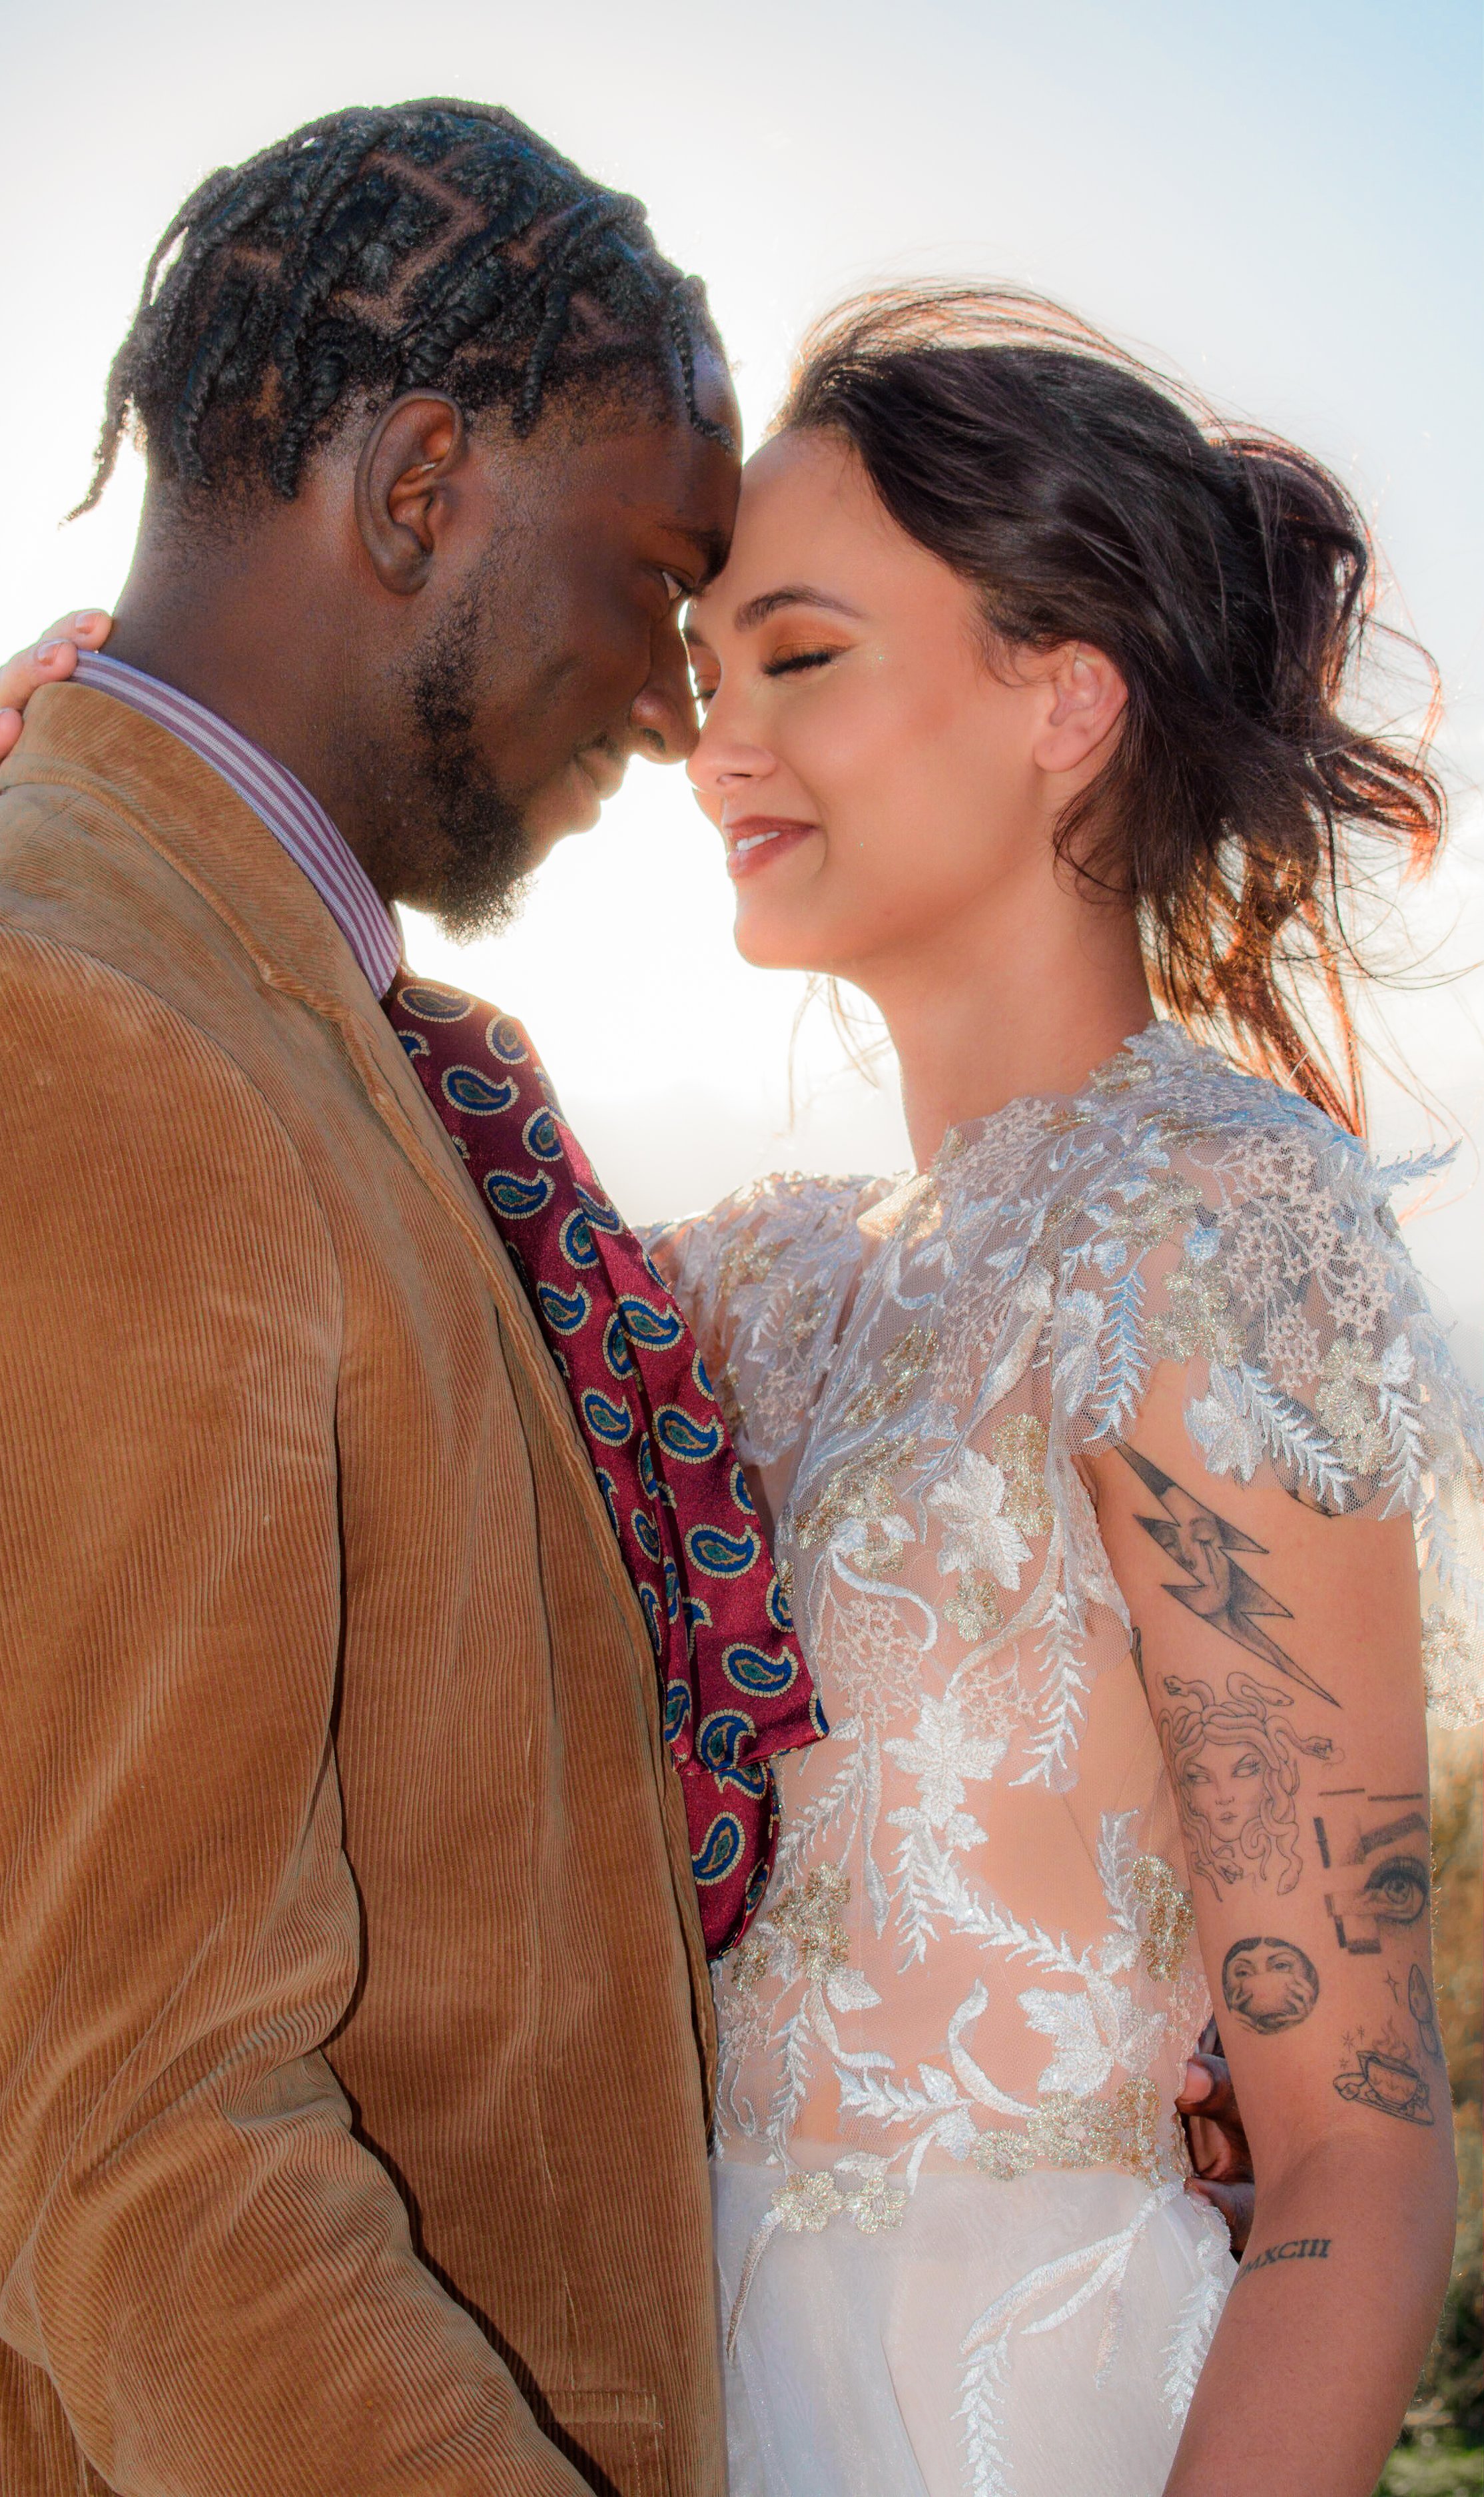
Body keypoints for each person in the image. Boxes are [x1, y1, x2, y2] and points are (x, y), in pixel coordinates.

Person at [0, 101, 793, 2497]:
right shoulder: (59, 1036)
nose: (677, 704)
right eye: (657, 582)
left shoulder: (255, 1008)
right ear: (420, 488)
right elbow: (144, 2144)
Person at [641, 288, 1480, 2496]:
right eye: (701, 677)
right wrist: (132, 773)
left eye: (797, 658)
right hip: (652, 2384)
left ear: (1063, 699)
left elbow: (1354, 2162)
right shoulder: (749, 1279)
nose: (717, 743)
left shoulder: (1209, 1224)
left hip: (1007, 2415)